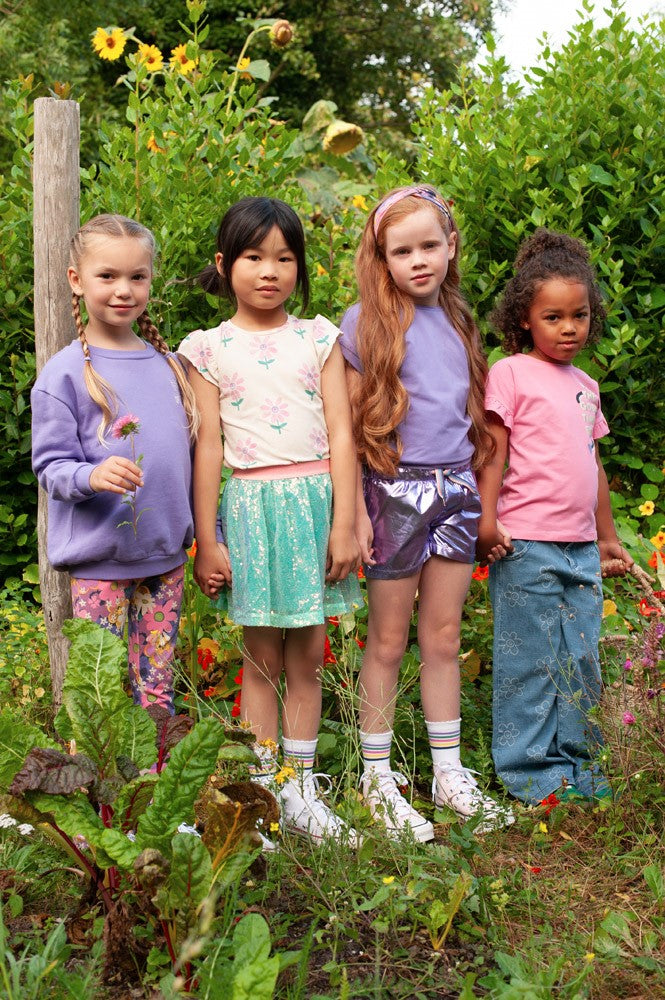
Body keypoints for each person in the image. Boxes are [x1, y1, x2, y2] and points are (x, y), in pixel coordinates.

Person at [178, 196, 362, 845]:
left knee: (308, 657)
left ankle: (301, 791)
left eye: (284, 258)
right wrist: (207, 540)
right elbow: (207, 448)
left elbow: (342, 432)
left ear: (299, 267)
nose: (269, 271)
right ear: (225, 264)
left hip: (314, 507)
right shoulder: (207, 348)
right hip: (251, 511)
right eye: (254, 256)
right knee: (260, 661)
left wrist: (344, 523)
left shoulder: (318, 338)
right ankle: (257, 798)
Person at [340, 185, 514, 840]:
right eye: (401, 250)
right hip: (393, 491)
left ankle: (448, 775)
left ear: (450, 247)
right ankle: (376, 780)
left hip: (455, 492)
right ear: (380, 257)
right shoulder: (363, 323)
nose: (417, 261)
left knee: (441, 639)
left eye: (429, 247)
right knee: (386, 640)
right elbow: (349, 430)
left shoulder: (462, 322)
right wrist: (354, 511)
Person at [476, 228, 632, 804]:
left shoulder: (587, 386)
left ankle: (582, 769)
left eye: (579, 316)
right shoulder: (510, 373)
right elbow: (493, 452)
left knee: (582, 659)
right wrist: (486, 520)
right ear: (524, 319)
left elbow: (592, 468)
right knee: (530, 662)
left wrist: (608, 537)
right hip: (528, 546)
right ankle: (530, 774)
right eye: (553, 317)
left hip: (581, 548)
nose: (569, 329)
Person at [31, 214, 198, 715]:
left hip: (165, 560)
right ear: (76, 280)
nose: (124, 289)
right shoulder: (64, 374)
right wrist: (91, 475)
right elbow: (50, 467)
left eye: (137, 277)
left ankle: (152, 787)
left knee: (157, 689)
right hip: (100, 562)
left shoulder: (171, 366)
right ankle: (103, 791)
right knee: (100, 693)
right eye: (108, 276)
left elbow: (188, 463)